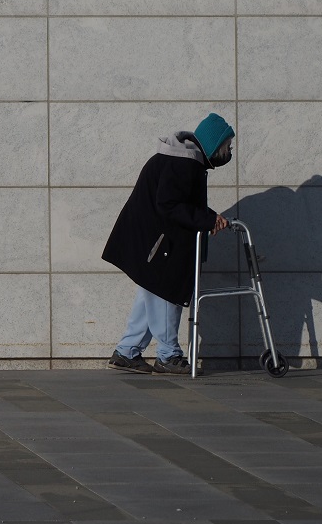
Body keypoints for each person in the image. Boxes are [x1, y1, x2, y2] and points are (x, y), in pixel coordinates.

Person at [101, 113, 235, 375]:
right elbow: (170, 205)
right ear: (213, 144)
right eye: (226, 147)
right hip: (161, 245)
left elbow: (178, 203)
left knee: (151, 294)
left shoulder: (181, 160)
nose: (229, 152)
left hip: (154, 242)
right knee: (166, 294)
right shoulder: (183, 164)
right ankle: (168, 354)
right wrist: (207, 219)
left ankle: (127, 352)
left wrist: (208, 218)